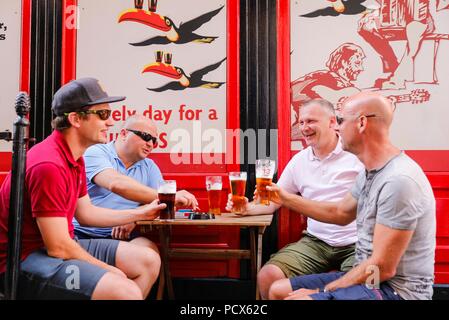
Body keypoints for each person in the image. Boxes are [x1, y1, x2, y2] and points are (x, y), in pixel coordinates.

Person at [0, 77, 167, 300]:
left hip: (58, 247)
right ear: (76, 119)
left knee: (148, 261)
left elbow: (86, 213)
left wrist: (140, 214)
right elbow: (58, 248)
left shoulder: (75, 157)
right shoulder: (49, 164)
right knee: (125, 291)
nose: (110, 123)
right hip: (23, 261)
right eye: (103, 115)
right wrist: (111, 271)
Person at [268, 91, 436, 300]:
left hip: (393, 290)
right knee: (277, 290)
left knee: (300, 299)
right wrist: (285, 198)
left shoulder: (398, 181)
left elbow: (382, 268)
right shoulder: (371, 171)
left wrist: (321, 292)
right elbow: (340, 213)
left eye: (340, 120)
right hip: (370, 278)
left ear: (362, 123)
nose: (336, 127)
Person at [226, 99, 364, 300]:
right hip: (317, 242)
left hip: (357, 242)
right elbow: (274, 201)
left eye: (311, 121)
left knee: (355, 285)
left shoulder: (356, 155)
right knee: (267, 276)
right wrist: (247, 208)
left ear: (332, 122)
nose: (305, 128)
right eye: (301, 122)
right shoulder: (300, 160)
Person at [73, 115, 198, 247]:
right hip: (83, 233)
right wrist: (171, 197)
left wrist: (135, 218)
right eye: (145, 136)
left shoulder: (149, 166)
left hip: (124, 236)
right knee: (144, 259)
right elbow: (117, 184)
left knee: (151, 254)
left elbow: (162, 205)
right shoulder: (96, 152)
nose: (150, 144)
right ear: (124, 134)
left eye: (154, 141)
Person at [290, 43, 365, 143]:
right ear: (343, 62)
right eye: (357, 63)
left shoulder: (346, 87)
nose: (361, 68)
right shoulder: (322, 78)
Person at [357, 0, 435, 89]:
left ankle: (399, 78)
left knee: (413, 29)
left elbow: (418, 17)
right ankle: (392, 69)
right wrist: (372, 13)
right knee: (364, 27)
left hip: (419, 21)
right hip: (394, 21)